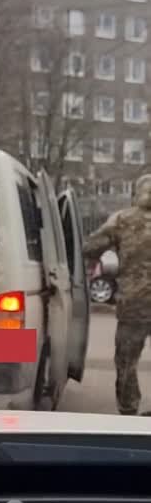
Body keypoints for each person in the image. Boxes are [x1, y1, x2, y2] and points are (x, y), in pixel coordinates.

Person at [83, 174, 151, 415]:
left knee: (126, 361)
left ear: (136, 194)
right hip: (135, 303)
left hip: (134, 304)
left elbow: (90, 247)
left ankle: (128, 410)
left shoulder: (122, 220)